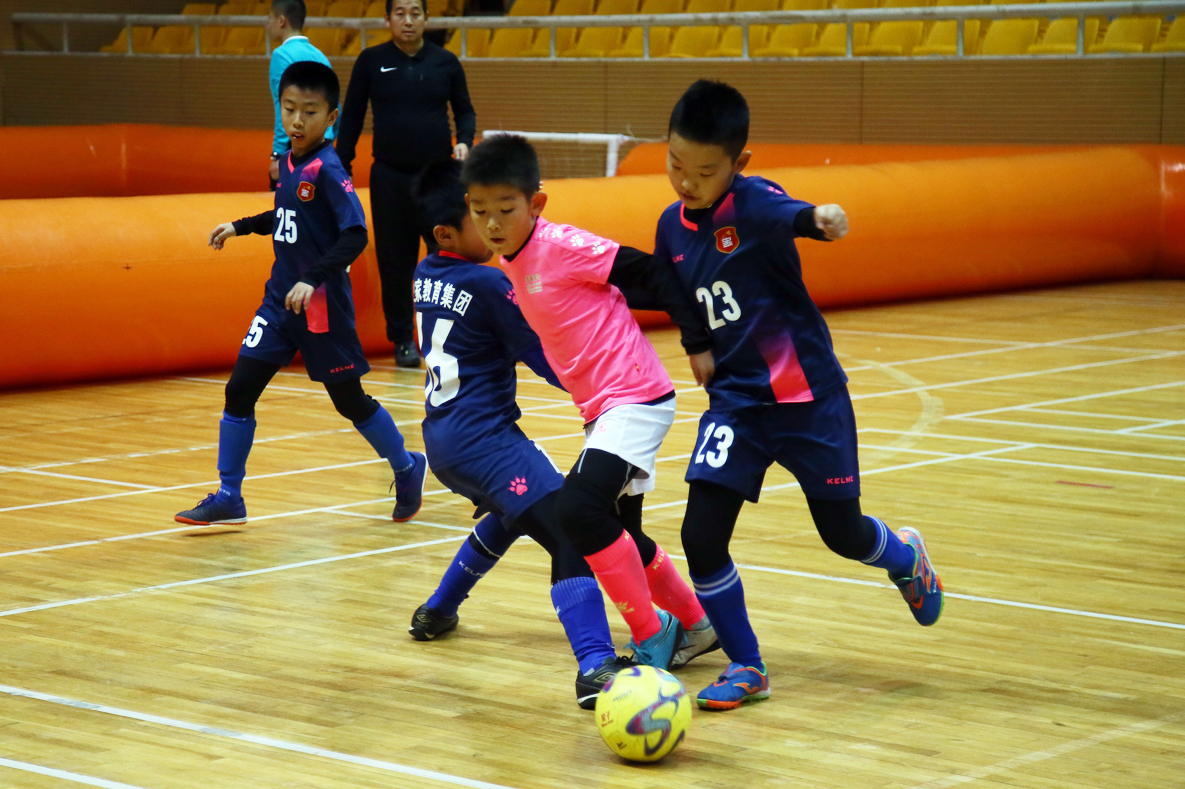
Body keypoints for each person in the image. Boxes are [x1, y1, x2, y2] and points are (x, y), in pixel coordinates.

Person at [653, 80, 945, 710]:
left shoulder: (754, 202)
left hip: (809, 401)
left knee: (841, 533)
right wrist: (695, 342)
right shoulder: (668, 227)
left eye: (705, 171)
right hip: (736, 404)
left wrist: (819, 221)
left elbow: (791, 214)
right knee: (701, 535)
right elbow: (677, 291)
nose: (686, 182)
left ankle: (904, 559)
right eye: (676, 164)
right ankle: (747, 665)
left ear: (740, 165)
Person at [460, 135, 720, 672]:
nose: (491, 223)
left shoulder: (561, 245)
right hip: (603, 411)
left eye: (505, 209)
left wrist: (697, 339)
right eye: (479, 210)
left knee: (576, 511)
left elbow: (649, 274)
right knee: (623, 532)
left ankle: (654, 633)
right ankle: (698, 626)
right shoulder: (509, 262)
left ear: (536, 204)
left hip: (635, 397)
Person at [406, 159, 647, 709]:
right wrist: (604, 385)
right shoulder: (489, 282)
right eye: (477, 213)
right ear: (448, 232)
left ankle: (439, 609)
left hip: (444, 441)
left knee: (513, 511)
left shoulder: (426, 272)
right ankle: (594, 665)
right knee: (572, 528)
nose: (492, 225)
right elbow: (545, 354)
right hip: (485, 441)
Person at [175, 62, 427, 527]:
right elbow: (287, 216)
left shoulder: (330, 170)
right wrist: (241, 226)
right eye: (289, 109)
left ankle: (408, 466)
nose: (297, 120)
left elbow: (355, 234)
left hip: (320, 310)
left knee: (349, 401)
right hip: (278, 304)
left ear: (331, 117)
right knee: (239, 390)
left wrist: (313, 278)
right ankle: (230, 494)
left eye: (309, 112)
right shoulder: (288, 163)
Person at [336, 0, 477, 369]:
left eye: (415, 13)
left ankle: (446, 335)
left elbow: (464, 109)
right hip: (389, 177)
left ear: (427, 18)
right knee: (394, 262)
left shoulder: (445, 62)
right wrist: (342, 164)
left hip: (438, 176)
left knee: (445, 257)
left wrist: (464, 139)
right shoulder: (370, 61)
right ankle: (402, 339)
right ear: (387, 19)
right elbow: (351, 115)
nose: (408, 20)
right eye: (400, 13)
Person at [266, 0, 336, 190]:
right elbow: (334, 106)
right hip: (323, 146)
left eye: (270, 18)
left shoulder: (281, 55)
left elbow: (283, 108)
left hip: (296, 145)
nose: (267, 24)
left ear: (281, 21)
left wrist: (278, 154)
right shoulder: (320, 55)